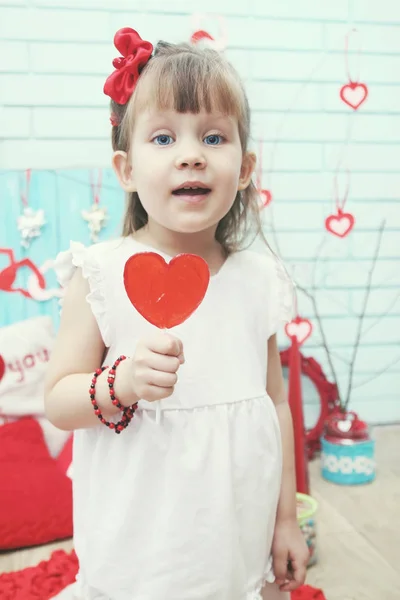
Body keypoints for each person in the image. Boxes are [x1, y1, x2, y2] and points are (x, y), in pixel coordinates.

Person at [45, 26, 309, 600]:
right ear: (126, 170)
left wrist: (285, 520)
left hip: (236, 524)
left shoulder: (258, 278)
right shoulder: (100, 274)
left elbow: (277, 407)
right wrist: (125, 383)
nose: (191, 154)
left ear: (244, 169)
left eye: (214, 137)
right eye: (163, 138)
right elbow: (59, 401)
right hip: (141, 533)